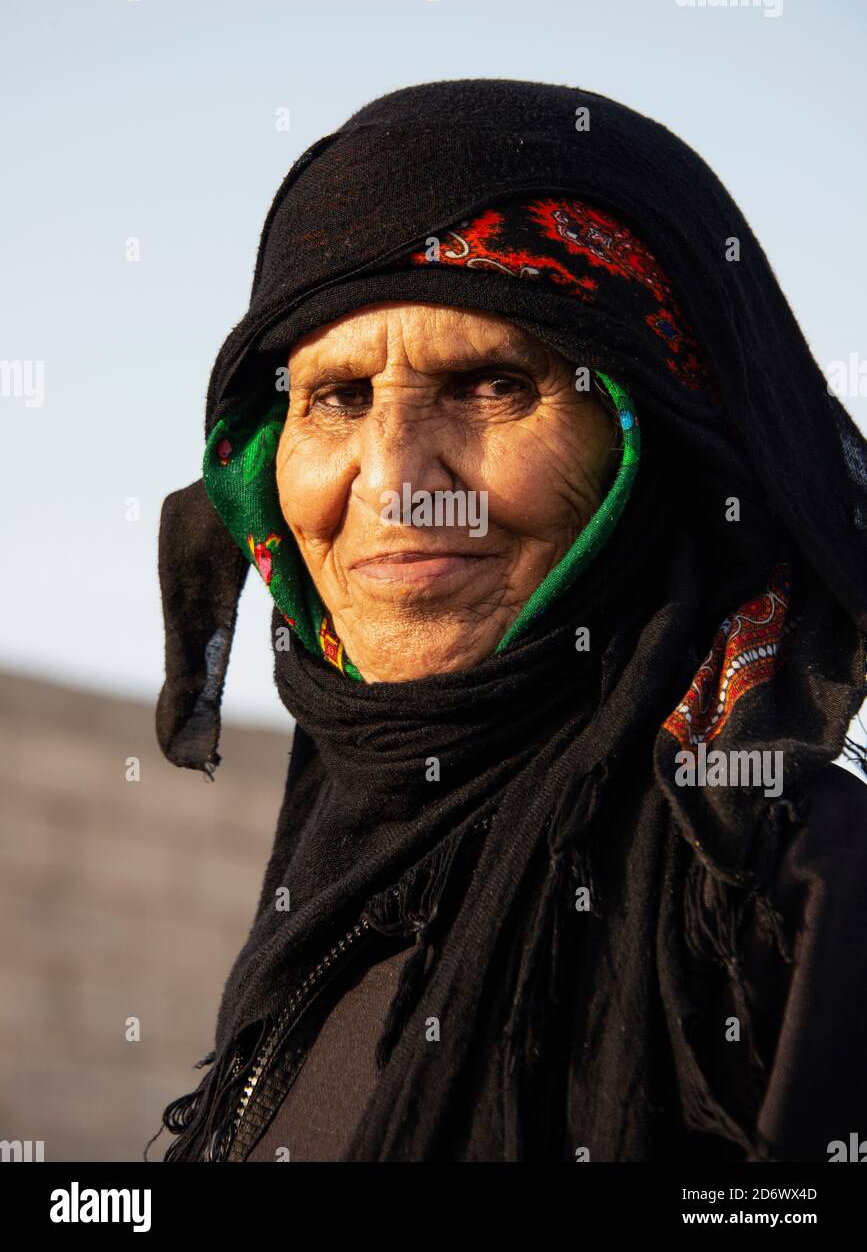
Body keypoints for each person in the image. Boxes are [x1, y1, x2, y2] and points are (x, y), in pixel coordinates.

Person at [148, 79, 867, 1163]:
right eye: (338, 397)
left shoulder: (795, 904)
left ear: (651, 439)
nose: (397, 481)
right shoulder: (327, 910)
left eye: (490, 385)